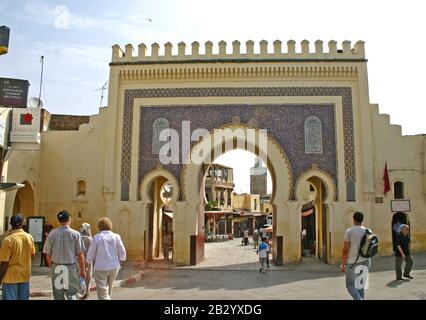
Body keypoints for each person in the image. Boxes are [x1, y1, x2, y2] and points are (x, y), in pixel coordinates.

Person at [43, 210, 86, 300]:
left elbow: (48, 253)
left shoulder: (52, 234)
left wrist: (52, 266)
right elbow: (80, 254)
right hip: (70, 267)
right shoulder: (76, 234)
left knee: (58, 295)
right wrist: (82, 270)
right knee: (72, 294)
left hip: (57, 266)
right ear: (69, 219)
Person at [87, 217, 126, 300]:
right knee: (108, 290)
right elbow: (122, 251)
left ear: (99, 226)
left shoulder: (97, 237)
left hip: (101, 267)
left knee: (102, 293)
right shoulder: (116, 236)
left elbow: (91, 253)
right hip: (114, 267)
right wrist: (121, 261)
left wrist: (88, 261)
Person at [0, 214, 35, 300]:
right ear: (22, 224)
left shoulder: (8, 240)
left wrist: (0, 277)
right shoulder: (29, 237)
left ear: (10, 223)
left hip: (10, 277)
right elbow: (32, 255)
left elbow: (4, 262)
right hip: (25, 275)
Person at [340, 211, 371, 300]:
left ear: (353, 220)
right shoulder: (368, 231)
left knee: (349, 284)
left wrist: (343, 264)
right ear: (362, 220)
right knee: (360, 285)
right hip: (366, 261)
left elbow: (345, 250)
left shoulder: (349, 232)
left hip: (353, 262)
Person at [79, 223, 92, 299]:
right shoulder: (90, 239)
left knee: (80, 277)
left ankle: (81, 294)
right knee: (87, 278)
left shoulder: (79, 238)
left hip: (79, 261)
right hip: (88, 261)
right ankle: (86, 294)